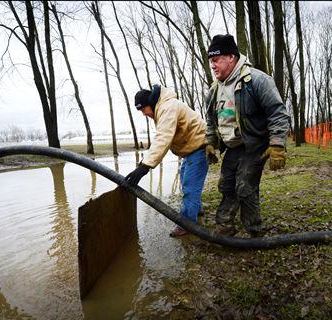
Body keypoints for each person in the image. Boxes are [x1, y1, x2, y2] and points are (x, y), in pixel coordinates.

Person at [205, 34, 291, 237]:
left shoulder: (258, 81)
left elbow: (277, 113)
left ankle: (253, 230)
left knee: (245, 186)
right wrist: (210, 142)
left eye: (216, 60)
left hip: (254, 145)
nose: (213, 66)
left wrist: (277, 144)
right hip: (233, 146)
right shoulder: (214, 89)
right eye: (211, 61)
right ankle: (225, 225)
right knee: (226, 185)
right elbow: (211, 120)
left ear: (231, 58)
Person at [125, 84, 208, 237]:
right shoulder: (163, 107)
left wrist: (145, 166)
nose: (144, 114)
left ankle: (187, 224)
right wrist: (144, 163)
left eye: (143, 110)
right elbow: (163, 137)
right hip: (191, 149)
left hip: (199, 146)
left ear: (150, 103)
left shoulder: (168, 107)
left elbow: (163, 138)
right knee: (185, 180)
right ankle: (196, 209)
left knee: (190, 186)